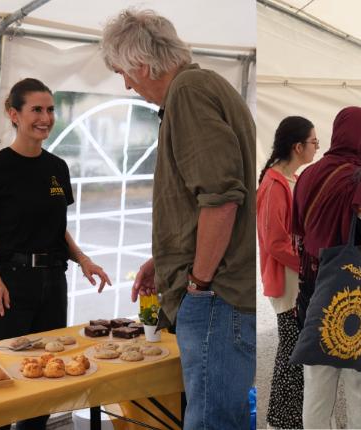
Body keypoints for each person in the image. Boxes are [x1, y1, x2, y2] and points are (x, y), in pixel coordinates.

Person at [101, 9, 255, 429]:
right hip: (219, 294)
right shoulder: (205, 87)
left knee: (210, 422)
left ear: (143, 64)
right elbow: (204, 198)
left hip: (216, 297)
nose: (127, 84)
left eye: (124, 73)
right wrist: (165, 258)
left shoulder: (188, 90)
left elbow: (221, 201)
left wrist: (198, 283)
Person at [0, 78, 111, 430]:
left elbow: (57, 228)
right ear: (14, 114)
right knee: (0, 382)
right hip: (9, 287)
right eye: (36, 110)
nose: (46, 117)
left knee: (44, 382)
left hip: (53, 283)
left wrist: (83, 259)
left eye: (50, 109)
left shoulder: (58, 168)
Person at [292, 106, 361, 429]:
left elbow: (299, 232)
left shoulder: (307, 174)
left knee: (317, 390)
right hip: (358, 296)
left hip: (314, 290)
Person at [257, 116, 319, 429]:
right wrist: (309, 266)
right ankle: (282, 422)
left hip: (295, 278)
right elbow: (276, 243)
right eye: (313, 142)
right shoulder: (275, 184)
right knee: (291, 356)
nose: (317, 147)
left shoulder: (289, 178)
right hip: (288, 282)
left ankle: (291, 420)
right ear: (297, 146)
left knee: (295, 353)